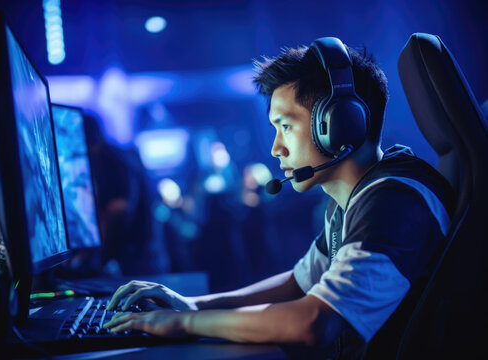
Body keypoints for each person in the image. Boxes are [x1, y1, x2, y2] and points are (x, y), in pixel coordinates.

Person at [102, 38, 455, 358]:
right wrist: (193, 306)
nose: (276, 148)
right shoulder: (355, 196)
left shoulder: (393, 203)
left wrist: (183, 325)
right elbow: (299, 282)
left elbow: (314, 322)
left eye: (286, 126)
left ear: (338, 123)